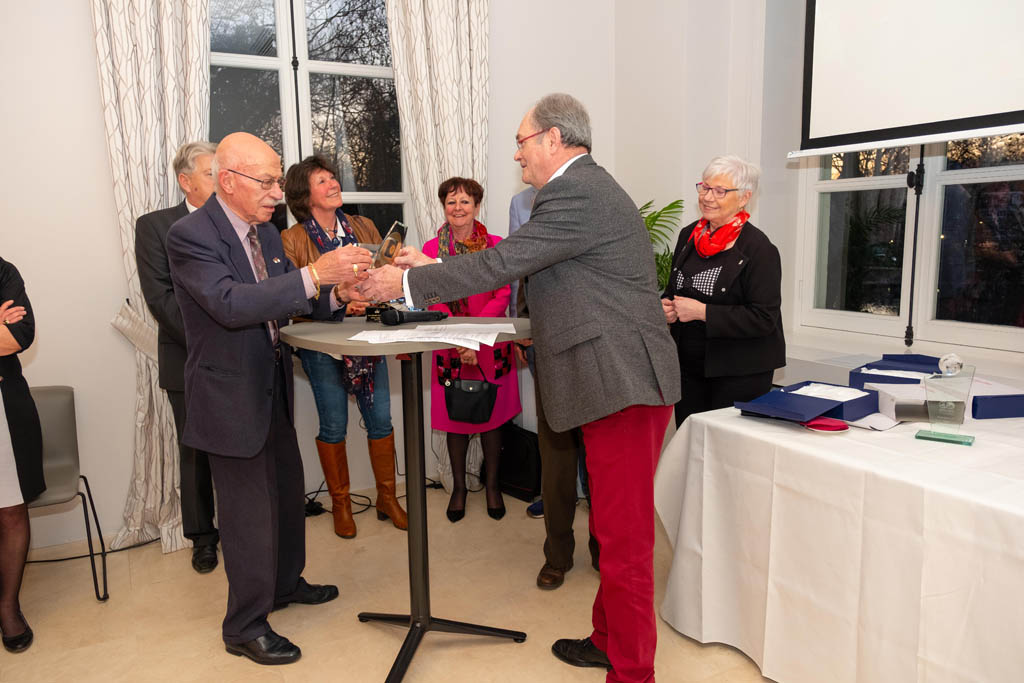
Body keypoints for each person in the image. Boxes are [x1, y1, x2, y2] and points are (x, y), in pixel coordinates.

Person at [358, 93, 680, 683]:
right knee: (612, 530)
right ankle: (608, 641)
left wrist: (404, 286)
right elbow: (528, 268)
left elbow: (502, 262)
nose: (517, 154)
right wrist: (423, 269)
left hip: (622, 383)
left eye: (522, 141)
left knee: (625, 543)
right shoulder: (577, 190)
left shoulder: (576, 190)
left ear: (554, 138)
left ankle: (633, 673)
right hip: (612, 380)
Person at [166, 132, 372, 665]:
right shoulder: (191, 235)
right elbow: (231, 304)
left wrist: (337, 294)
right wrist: (315, 274)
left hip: (272, 384)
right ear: (228, 180)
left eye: (279, 181)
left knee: (284, 494)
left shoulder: (266, 234)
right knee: (246, 517)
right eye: (268, 182)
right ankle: (244, 626)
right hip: (228, 395)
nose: (278, 193)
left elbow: (286, 303)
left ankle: (284, 585)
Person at [281, 155, 407, 538]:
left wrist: (374, 294)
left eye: (333, 177)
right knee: (333, 425)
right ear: (304, 195)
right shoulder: (291, 239)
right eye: (322, 181)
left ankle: (387, 498)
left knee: (381, 420)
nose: (333, 184)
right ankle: (341, 504)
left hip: (367, 340)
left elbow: (385, 273)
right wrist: (338, 298)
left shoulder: (363, 225)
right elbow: (291, 299)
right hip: (321, 345)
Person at [135, 141, 221, 573]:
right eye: (211, 173)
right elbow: (160, 298)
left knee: (245, 451)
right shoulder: (156, 226)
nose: (220, 180)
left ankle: (245, 528)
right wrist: (212, 342)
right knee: (195, 453)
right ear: (186, 181)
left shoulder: (237, 222)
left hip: (243, 358)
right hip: (188, 357)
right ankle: (202, 538)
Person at [508, 186, 596, 589]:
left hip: (594, 363)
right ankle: (557, 556)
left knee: (597, 465)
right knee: (557, 466)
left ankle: (603, 549)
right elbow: (524, 285)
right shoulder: (538, 232)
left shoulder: (595, 225)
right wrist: (524, 332)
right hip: (550, 362)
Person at [422, 177, 520, 523]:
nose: (458, 208)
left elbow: (503, 294)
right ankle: (459, 489)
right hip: (449, 343)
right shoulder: (430, 249)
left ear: (477, 206)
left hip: (489, 344)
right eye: (451, 202)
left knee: (493, 420)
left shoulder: (495, 246)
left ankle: (492, 486)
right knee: (455, 420)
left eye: (465, 201)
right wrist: (460, 338)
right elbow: (431, 296)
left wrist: (474, 337)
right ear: (443, 207)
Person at [661, 155, 785, 428]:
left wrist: (703, 312)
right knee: (692, 444)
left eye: (720, 191)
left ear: (744, 197)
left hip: (738, 373)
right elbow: (673, 290)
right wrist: (666, 307)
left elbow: (764, 318)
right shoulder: (688, 235)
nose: (708, 197)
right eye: (705, 187)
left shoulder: (759, 249)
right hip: (688, 369)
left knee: (726, 448)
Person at [0, 257, 43, 654]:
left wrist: (5, 329)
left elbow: (18, 337)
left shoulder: (3, 273)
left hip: (4, 408)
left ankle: (8, 606)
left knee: (11, 510)